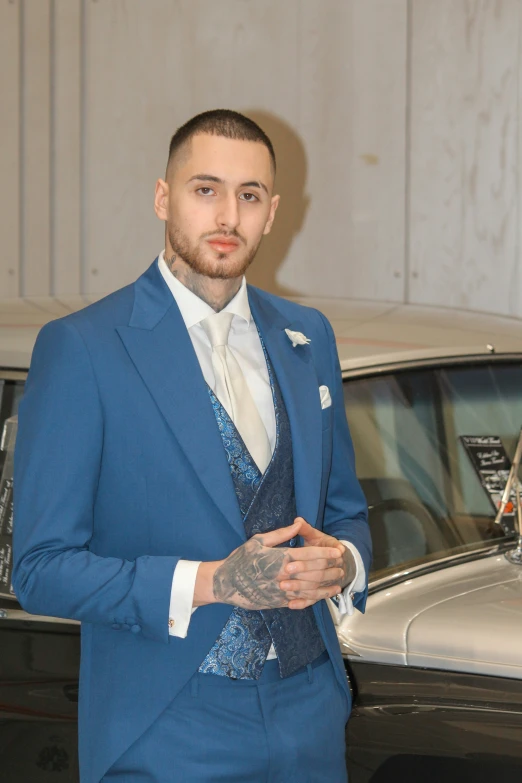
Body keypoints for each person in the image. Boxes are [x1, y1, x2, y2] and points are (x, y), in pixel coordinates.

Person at [13, 110, 371, 783]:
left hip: (310, 713)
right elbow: (39, 566)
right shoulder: (84, 348)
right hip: (165, 721)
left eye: (250, 195)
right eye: (205, 189)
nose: (228, 215)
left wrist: (344, 563)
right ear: (163, 198)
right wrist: (210, 581)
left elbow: (346, 509)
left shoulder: (308, 337)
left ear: (273, 213)